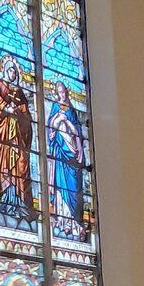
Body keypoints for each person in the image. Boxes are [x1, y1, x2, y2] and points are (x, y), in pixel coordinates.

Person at [0, 59, 36, 227]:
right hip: (5, 138)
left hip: (18, 138)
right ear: (5, 72)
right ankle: (8, 199)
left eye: (15, 72)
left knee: (20, 166)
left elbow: (28, 118)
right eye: (10, 71)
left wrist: (18, 114)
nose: (13, 74)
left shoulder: (20, 94)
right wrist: (5, 109)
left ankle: (21, 202)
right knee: (6, 167)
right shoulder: (0, 87)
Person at [47, 84, 85, 239]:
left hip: (72, 153)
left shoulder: (72, 111)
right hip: (60, 153)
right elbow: (50, 129)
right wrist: (57, 122)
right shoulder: (55, 107)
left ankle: (75, 223)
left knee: (73, 187)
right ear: (57, 94)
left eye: (63, 91)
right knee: (60, 186)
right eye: (59, 92)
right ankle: (63, 222)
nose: (62, 94)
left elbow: (78, 132)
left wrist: (67, 122)